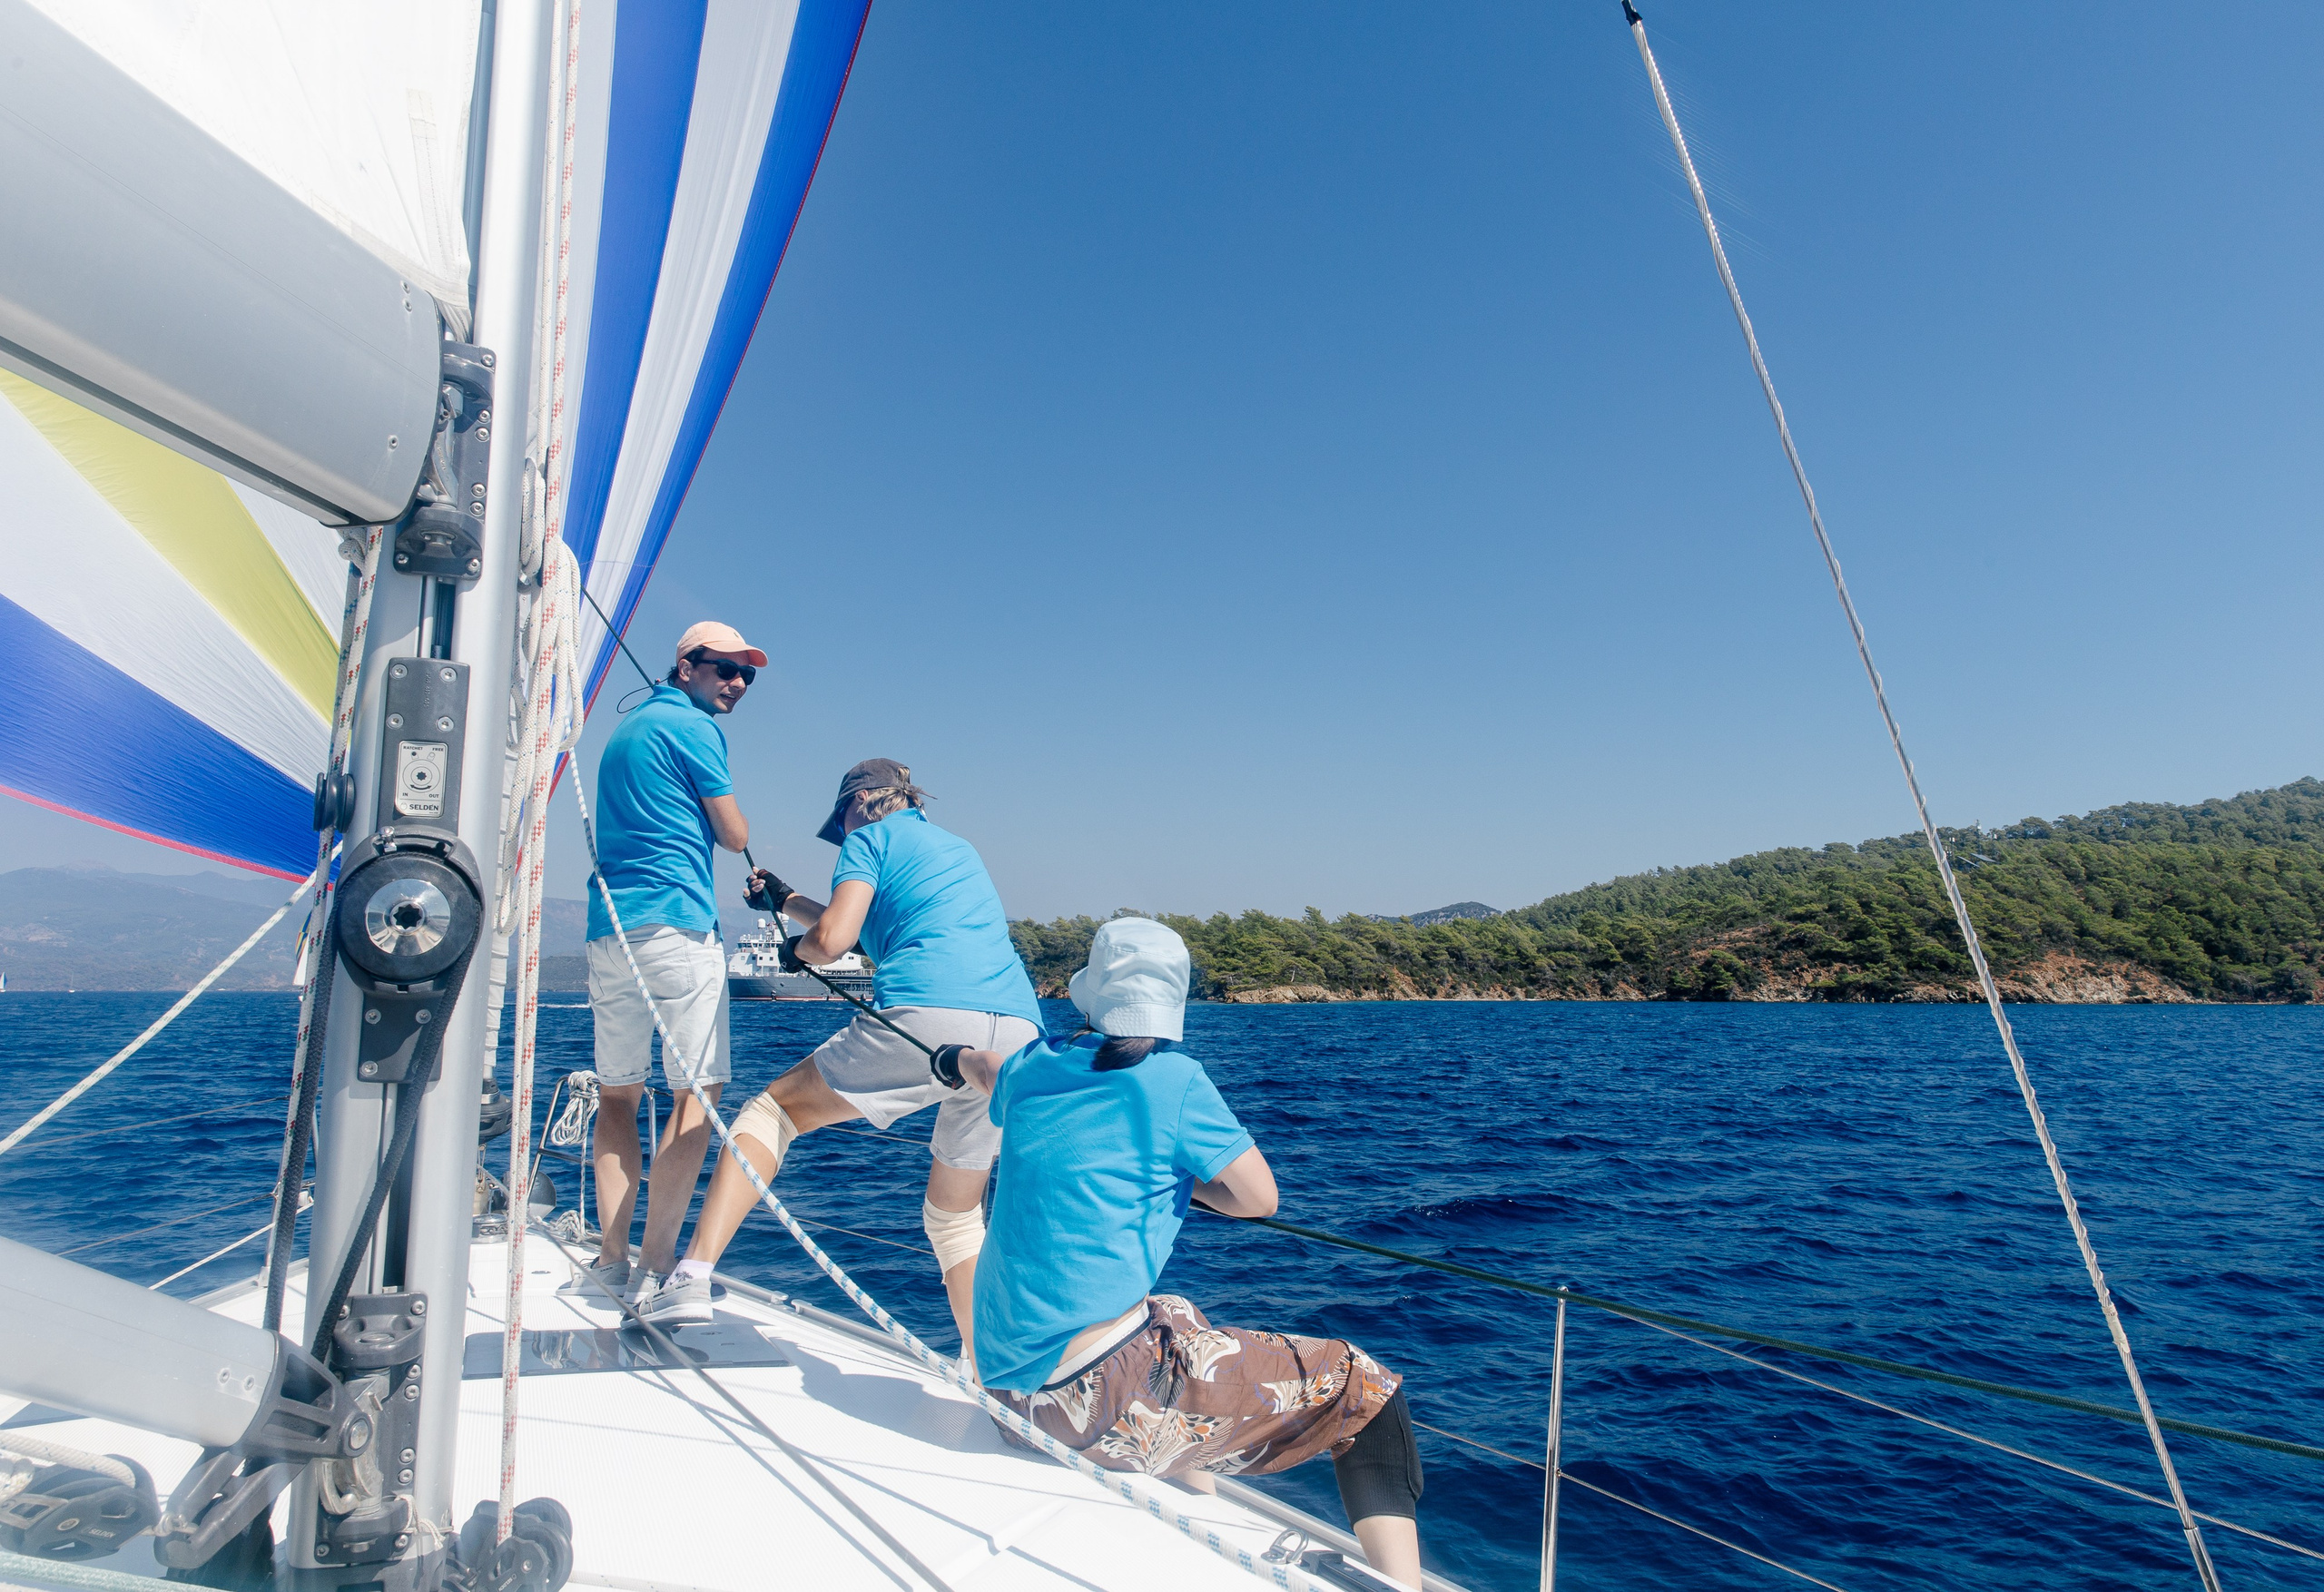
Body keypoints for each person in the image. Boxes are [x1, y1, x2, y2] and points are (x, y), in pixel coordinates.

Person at [932, 918, 1424, 1589]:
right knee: (1365, 1390)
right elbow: (1260, 1199)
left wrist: (947, 1059)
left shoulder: (1030, 1065)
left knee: (1175, 1311)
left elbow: (979, 1065)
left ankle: (1195, 1495)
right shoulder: (1175, 1079)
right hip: (1093, 1406)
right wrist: (1178, 1181)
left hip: (1010, 1395)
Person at [638, 759, 1044, 1350]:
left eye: (844, 818)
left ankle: (691, 1278)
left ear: (862, 803)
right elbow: (868, 921)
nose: (843, 830)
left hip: (928, 1016)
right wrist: (785, 901)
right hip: (1018, 1032)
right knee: (956, 1217)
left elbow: (833, 939)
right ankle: (988, 1372)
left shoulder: (869, 837)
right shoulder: (957, 850)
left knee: (773, 1113)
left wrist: (799, 951)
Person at [561, 622, 764, 1306]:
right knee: (695, 1097)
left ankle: (610, 1261)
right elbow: (734, 834)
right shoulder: (696, 729)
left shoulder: (622, 735)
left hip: (609, 932)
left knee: (617, 1095)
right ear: (686, 667)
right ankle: (656, 1265)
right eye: (723, 669)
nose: (735, 682)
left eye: (746, 675)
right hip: (676, 927)